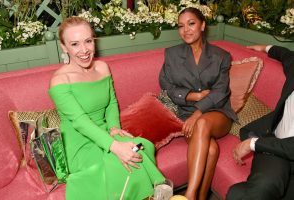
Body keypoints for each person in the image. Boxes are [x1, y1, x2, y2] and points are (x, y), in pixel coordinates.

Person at [49, 16, 164, 200]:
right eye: (75, 44)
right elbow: (80, 122)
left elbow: (111, 102)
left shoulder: (102, 67)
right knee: (118, 163)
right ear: (64, 47)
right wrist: (115, 146)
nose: (84, 50)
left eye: (88, 41)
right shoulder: (60, 81)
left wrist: (113, 127)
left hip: (106, 132)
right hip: (79, 144)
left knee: (140, 148)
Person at [159, 7, 237, 200]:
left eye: (191, 23)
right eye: (181, 26)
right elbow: (166, 85)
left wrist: (198, 112)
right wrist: (192, 96)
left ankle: (190, 194)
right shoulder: (171, 54)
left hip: (217, 112)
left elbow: (221, 91)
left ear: (202, 25)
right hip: (186, 113)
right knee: (211, 150)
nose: (186, 30)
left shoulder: (221, 56)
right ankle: (201, 197)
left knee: (201, 122)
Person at [227, 44, 294, 200]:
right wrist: (265, 47)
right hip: (276, 147)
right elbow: (285, 54)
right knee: (264, 186)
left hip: (284, 147)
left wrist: (253, 144)